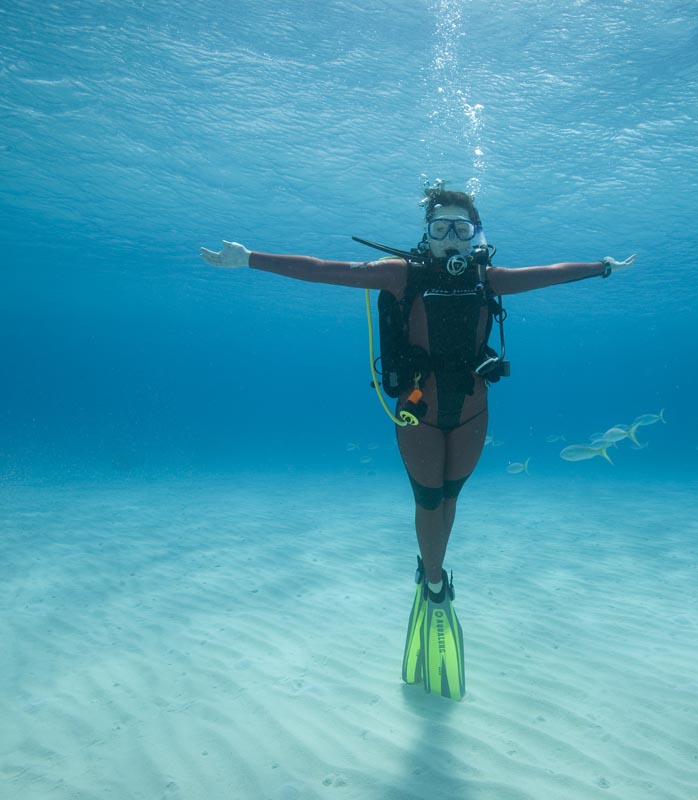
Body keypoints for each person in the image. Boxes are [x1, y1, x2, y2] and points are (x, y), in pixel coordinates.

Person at [200, 186, 635, 700]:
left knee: (451, 497)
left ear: (477, 236)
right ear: (425, 233)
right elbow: (324, 269)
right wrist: (250, 260)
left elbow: (544, 276)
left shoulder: (485, 278)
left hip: (474, 410)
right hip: (417, 414)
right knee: (428, 499)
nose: (451, 240)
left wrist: (598, 266)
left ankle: (432, 565)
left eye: (462, 230)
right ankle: (434, 581)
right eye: (440, 228)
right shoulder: (398, 275)